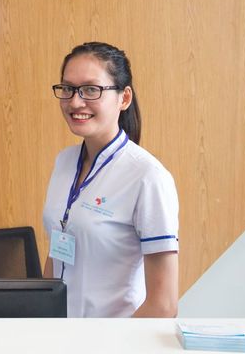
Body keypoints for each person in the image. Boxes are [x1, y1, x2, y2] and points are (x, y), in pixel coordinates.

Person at [42, 42, 179, 318]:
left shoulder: (147, 177)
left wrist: (111, 341)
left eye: (91, 89)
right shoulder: (64, 162)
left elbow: (164, 306)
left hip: (114, 337)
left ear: (124, 98)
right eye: (68, 88)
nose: (75, 102)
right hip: (60, 334)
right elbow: (57, 253)